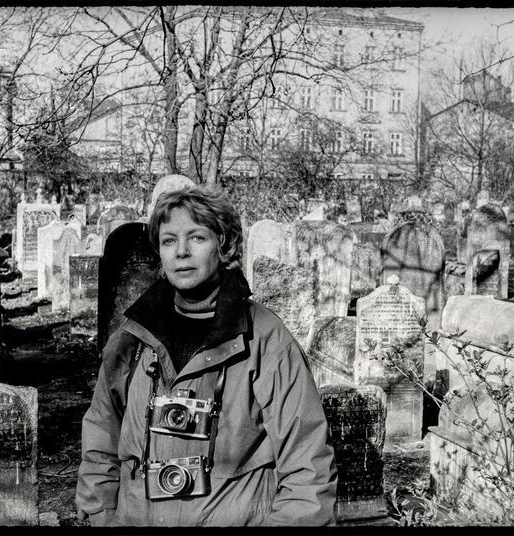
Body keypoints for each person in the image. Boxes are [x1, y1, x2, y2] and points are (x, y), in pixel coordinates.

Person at [75, 185, 337, 526]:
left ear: (223, 246)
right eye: (169, 241)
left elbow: (307, 466)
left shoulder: (264, 338)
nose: (181, 252)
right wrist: (102, 516)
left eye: (196, 238)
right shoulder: (133, 338)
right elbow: (100, 440)